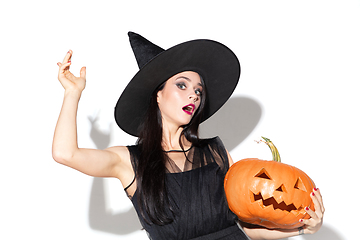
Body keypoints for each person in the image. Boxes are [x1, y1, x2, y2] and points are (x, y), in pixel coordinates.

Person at [52, 32, 324, 240]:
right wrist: (72, 94)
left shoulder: (216, 151)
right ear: (157, 95)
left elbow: (242, 229)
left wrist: (302, 227)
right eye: (181, 85)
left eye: (198, 90)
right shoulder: (128, 161)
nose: (194, 94)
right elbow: (65, 154)